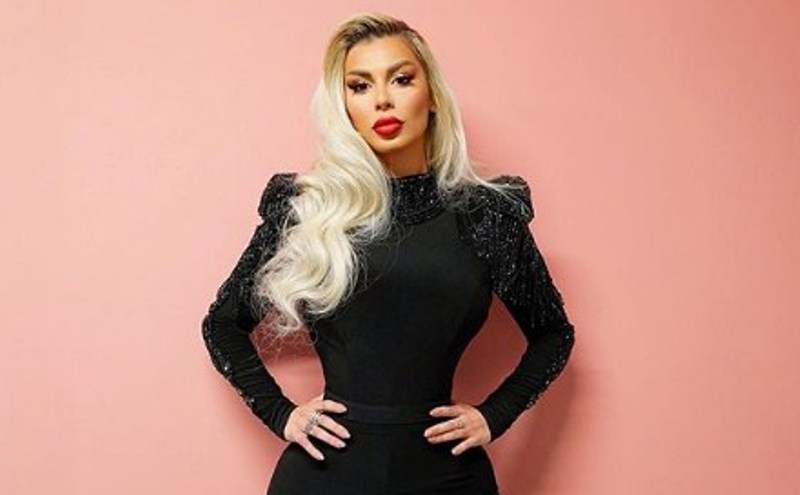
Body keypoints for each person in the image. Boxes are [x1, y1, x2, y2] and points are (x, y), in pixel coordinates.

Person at [201, 12, 575, 495]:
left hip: (448, 477)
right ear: (343, 107)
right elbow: (222, 324)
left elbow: (553, 333)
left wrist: (494, 415)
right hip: (324, 478)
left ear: (432, 94)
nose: (382, 99)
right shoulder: (308, 209)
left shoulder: (486, 214)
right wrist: (280, 413)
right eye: (359, 86)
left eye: (401, 79)